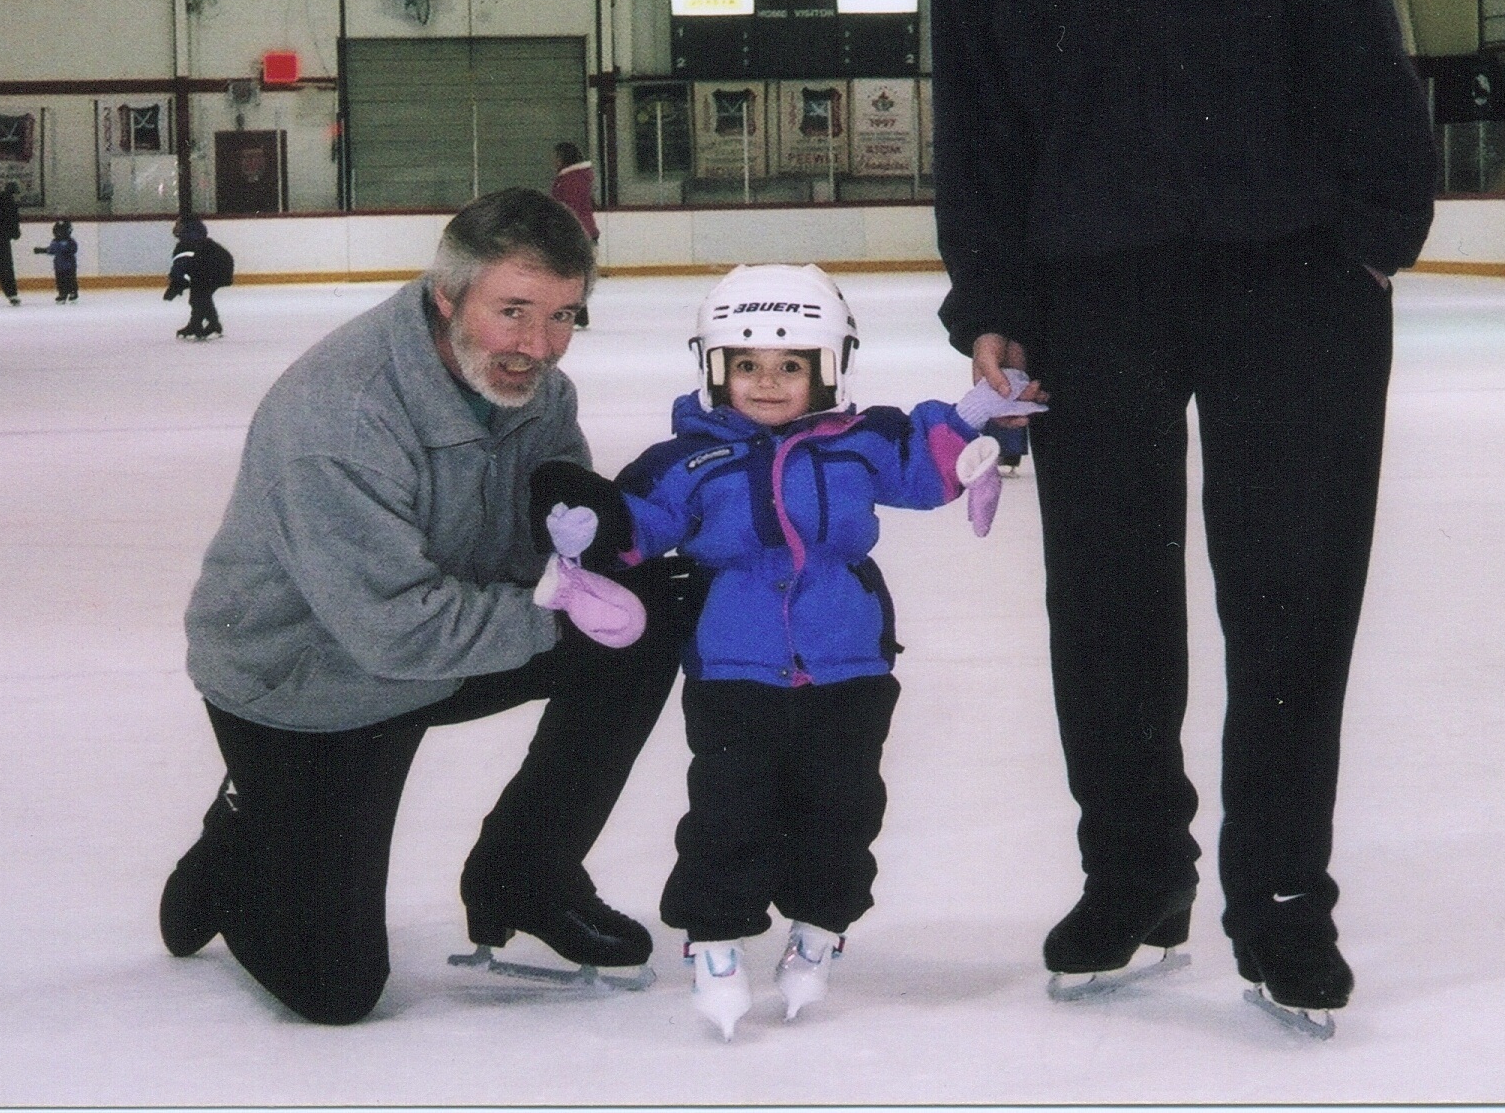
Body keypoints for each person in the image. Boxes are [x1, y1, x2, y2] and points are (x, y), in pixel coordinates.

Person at [929, 0, 1437, 1027]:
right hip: (1096, 295)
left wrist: (1375, 238)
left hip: (1292, 280)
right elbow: (978, 139)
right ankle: (1134, 873)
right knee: (1104, 606)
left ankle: (1280, 904)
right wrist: (995, 305)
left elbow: (1357, 40)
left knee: (1289, 600)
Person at [158, 188, 695, 1026]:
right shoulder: (341, 415)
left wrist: (597, 547)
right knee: (335, 992)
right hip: (307, 690)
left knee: (658, 604)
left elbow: (553, 546)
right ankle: (242, 833)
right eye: (512, 311)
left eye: (563, 317)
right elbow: (393, 634)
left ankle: (527, 870)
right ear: (445, 296)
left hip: (440, 646)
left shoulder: (538, 391)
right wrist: (559, 609)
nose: (537, 346)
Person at [533, 264, 1026, 1040]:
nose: (767, 383)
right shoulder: (688, 461)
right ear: (713, 369)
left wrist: (974, 416)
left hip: (850, 666)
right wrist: (591, 530)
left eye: (790, 366)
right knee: (730, 808)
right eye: (746, 366)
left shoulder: (861, 442)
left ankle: (820, 925)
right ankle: (716, 939)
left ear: (828, 369)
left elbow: (927, 470)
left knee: (843, 805)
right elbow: (641, 525)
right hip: (734, 671)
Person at [164, 215, 236, 340]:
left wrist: (176, 284)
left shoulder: (188, 244)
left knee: (199, 297)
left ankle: (206, 324)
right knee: (200, 296)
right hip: (215, 270)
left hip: (213, 271)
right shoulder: (198, 241)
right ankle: (206, 324)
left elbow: (181, 266)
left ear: (187, 227)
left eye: (179, 225)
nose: (176, 228)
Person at [551, 142, 599, 328]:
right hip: (579, 230)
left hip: (575, 232)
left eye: (556, 156)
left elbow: (570, 208)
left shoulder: (571, 179)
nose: (553, 161)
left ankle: (576, 312)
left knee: (568, 273)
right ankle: (578, 313)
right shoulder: (572, 177)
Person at [34, 218, 81, 303]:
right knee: (60, 280)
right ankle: (62, 293)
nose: (59, 233)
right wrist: (41, 250)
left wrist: (67, 251)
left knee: (71, 279)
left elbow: (74, 249)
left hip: (69, 266)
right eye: (58, 231)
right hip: (59, 266)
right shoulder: (55, 241)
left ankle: (73, 292)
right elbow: (51, 250)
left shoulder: (70, 241)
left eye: (62, 231)